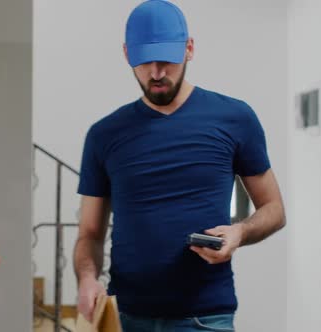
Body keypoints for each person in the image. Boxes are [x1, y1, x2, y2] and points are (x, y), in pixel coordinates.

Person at [73, 1, 286, 331]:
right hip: (128, 317)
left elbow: (274, 209)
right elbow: (89, 234)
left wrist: (239, 232)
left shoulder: (235, 118)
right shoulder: (104, 135)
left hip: (205, 317)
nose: (156, 73)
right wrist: (86, 278)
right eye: (145, 61)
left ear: (189, 49)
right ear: (127, 53)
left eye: (166, 61)